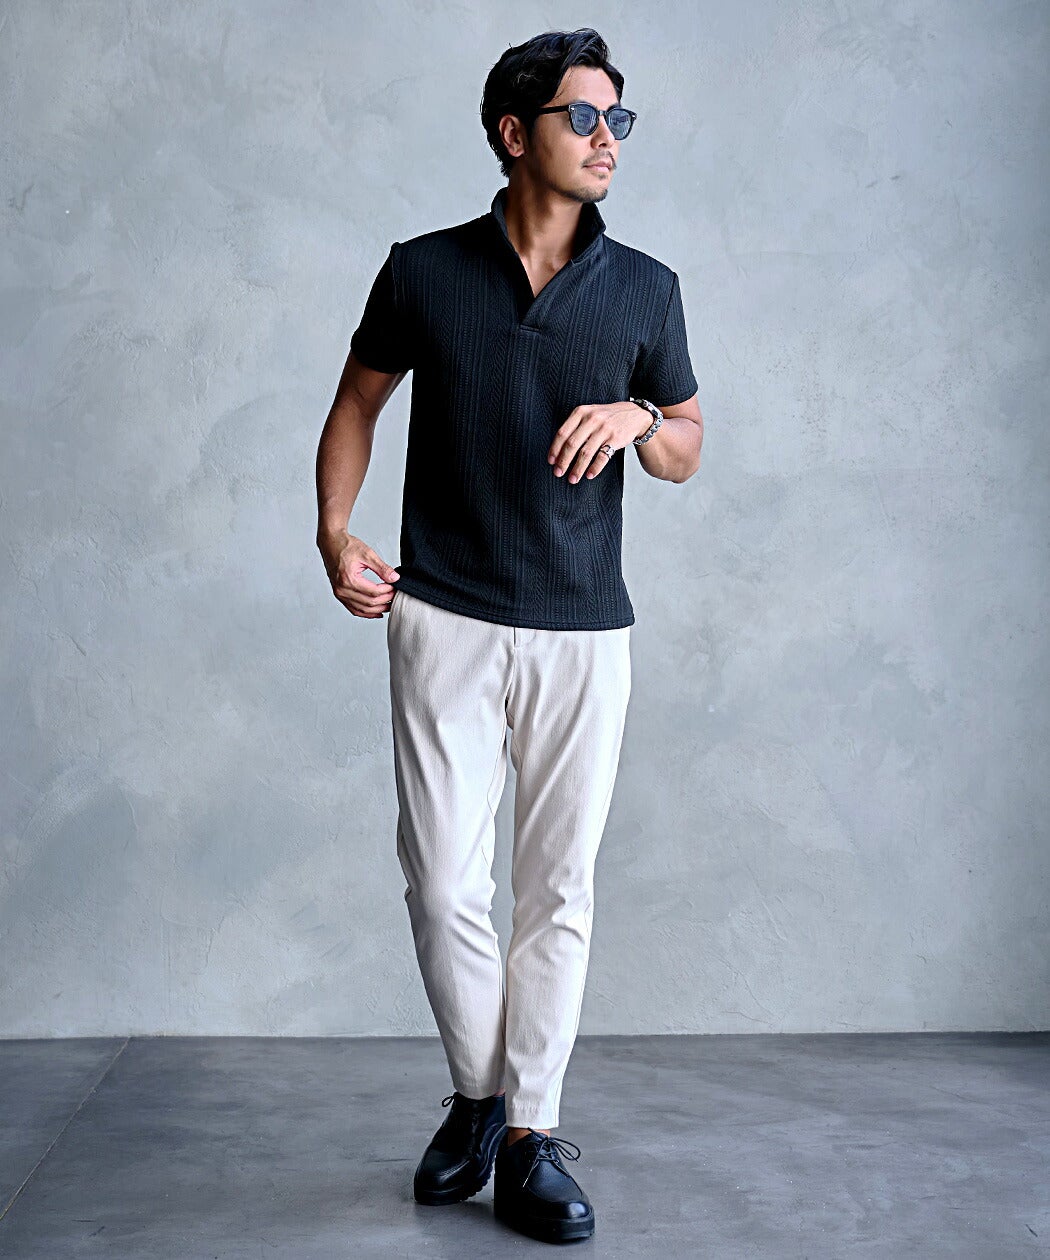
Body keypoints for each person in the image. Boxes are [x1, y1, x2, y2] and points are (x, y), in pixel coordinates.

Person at [315, 26, 703, 1246]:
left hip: (586, 630)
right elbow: (356, 404)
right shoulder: (424, 272)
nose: (607, 139)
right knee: (443, 884)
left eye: (618, 121)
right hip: (443, 613)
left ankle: (528, 1133)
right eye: (584, 117)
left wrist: (640, 418)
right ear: (513, 132)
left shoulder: (645, 289)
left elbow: (687, 446)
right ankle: (480, 1094)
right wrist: (335, 532)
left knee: (558, 889)